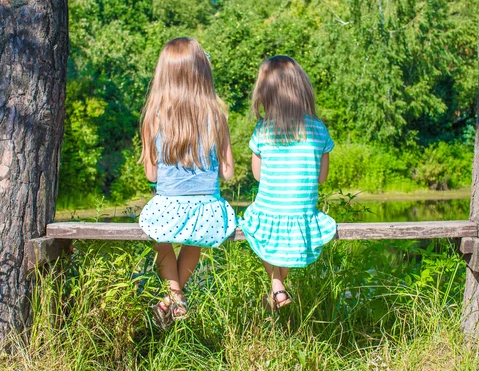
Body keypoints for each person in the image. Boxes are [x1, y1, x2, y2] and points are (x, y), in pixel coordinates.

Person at [138, 37, 235, 328]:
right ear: (202, 72)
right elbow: (228, 172)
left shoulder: (154, 116)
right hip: (208, 210)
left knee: (156, 233)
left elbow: (151, 176)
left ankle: (173, 294)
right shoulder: (217, 114)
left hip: (166, 205)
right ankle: (176, 297)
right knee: (198, 235)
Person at [239, 55, 337, 310]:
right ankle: (278, 290)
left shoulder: (263, 129)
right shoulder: (318, 129)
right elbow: (322, 177)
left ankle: (276, 287)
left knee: (253, 223)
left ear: (265, 93)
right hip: (302, 216)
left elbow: (258, 176)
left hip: (269, 212)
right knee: (288, 242)